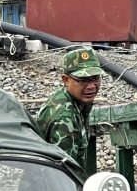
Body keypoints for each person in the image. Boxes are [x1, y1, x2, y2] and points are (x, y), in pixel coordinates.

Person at [33, 47, 103, 182]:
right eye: (83, 80)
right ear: (66, 80)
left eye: (95, 79)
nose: (91, 86)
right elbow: (63, 175)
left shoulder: (71, 99)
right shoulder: (65, 119)